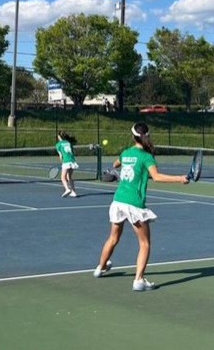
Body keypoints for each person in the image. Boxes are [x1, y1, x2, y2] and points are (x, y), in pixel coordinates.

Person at [93, 122, 188, 291]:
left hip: (118, 201)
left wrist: (120, 168)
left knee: (113, 238)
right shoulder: (146, 157)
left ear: (132, 136)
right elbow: (156, 177)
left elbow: (115, 165)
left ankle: (99, 269)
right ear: (147, 137)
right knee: (144, 244)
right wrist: (179, 178)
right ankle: (139, 280)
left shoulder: (125, 153)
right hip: (133, 204)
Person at [55, 130, 78, 198]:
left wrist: (62, 162)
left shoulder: (58, 144)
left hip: (66, 161)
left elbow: (61, 155)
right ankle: (73, 192)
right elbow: (72, 153)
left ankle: (67, 189)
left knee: (63, 177)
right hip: (72, 161)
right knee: (69, 177)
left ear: (59, 136)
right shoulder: (69, 142)